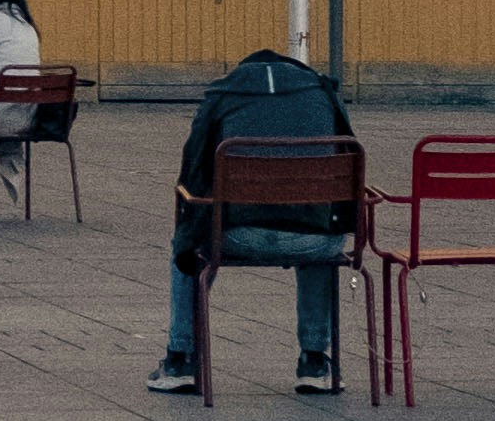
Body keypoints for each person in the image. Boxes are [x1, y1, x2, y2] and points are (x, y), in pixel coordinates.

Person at [153, 44, 362, 398]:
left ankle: (181, 359)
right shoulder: (323, 94)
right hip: (311, 241)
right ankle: (314, 360)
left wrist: (189, 233)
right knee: (318, 228)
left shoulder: (222, 94)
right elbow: (348, 159)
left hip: (236, 235)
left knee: (190, 239)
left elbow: (193, 170)